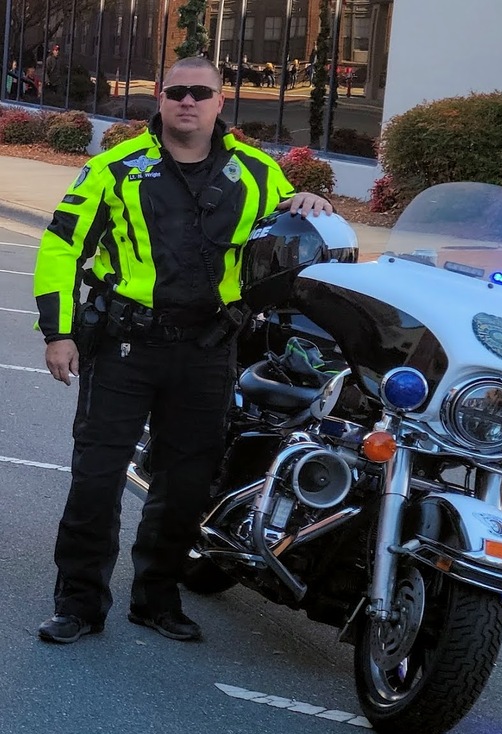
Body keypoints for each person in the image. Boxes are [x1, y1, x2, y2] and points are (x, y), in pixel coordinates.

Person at [33, 56, 332, 645]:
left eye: (200, 92)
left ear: (221, 101)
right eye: (177, 92)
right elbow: (61, 247)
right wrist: (58, 333)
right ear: (161, 98)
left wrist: (308, 201)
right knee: (96, 479)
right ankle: (79, 603)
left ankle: (157, 600)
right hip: (125, 344)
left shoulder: (257, 172)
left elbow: (289, 234)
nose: (187, 101)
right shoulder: (115, 168)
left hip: (207, 349)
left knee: (186, 484)